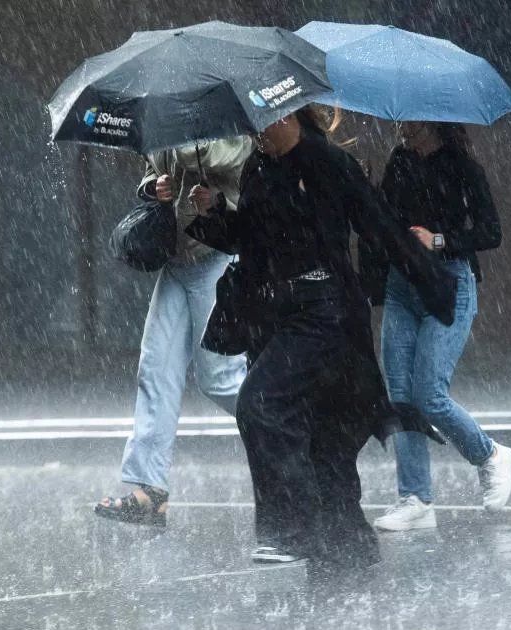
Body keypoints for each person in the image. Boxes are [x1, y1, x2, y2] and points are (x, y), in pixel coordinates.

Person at [187, 107, 458, 573]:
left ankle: (291, 531)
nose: (257, 134)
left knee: (262, 405)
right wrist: (213, 213)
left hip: (325, 317)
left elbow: (382, 228)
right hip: (277, 320)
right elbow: (250, 239)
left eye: (263, 123)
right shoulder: (259, 166)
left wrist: (434, 287)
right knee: (325, 446)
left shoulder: (329, 164)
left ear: (288, 115)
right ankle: (348, 561)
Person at [94, 138, 251, 527]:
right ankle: (150, 490)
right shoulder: (168, 120)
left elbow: (233, 160)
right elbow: (154, 172)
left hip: (216, 254)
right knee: (155, 369)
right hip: (177, 258)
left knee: (220, 379)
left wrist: (184, 145)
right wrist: (154, 186)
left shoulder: (221, 114)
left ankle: (294, 433)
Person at [372, 121, 511, 532]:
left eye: (410, 121)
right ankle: (415, 497)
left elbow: (491, 232)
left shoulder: (463, 167)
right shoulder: (398, 161)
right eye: (400, 121)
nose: (401, 128)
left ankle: (488, 455)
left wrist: (438, 240)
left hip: (449, 284)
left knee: (428, 395)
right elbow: (384, 220)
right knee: (401, 397)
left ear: (432, 122)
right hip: (403, 285)